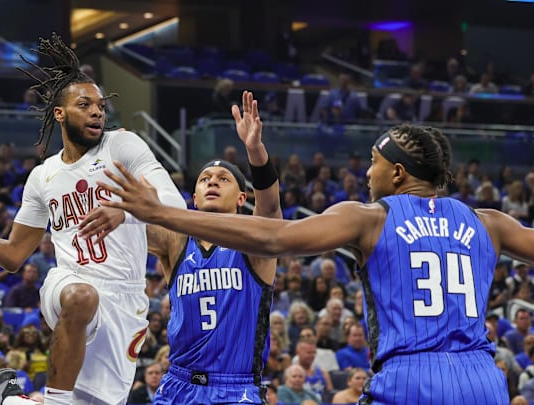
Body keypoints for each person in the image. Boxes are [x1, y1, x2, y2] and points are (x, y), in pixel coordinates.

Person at [101, 123, 520, 403]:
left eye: (372, 162)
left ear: (396, 173)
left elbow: (277, 235)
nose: (367, 173)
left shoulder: (369, 216)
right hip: (481, 380)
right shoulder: (491, 222)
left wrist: (159, 211)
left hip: (408, 377)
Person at [0, 32, 185, 405]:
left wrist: (127, 209)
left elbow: (175, 205)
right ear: (60, 113)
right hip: (70, 285)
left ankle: (8, 400)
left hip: (126, 301)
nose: (97, 111)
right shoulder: (43, 176)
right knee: (82, 296)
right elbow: (14, 255)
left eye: (100, 105)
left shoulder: (123, 145)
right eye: (85, 104)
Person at [116, 90, 280, 403]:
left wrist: (255, 151)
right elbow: (132, 219)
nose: (213, 182)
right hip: (178, 382)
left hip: (235, 386)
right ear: (194, 197)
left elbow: (271, 210)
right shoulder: (175, 240)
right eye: (205, 179)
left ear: (242, 199)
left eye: (223, 178)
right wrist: (119, 153)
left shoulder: (252, 243)